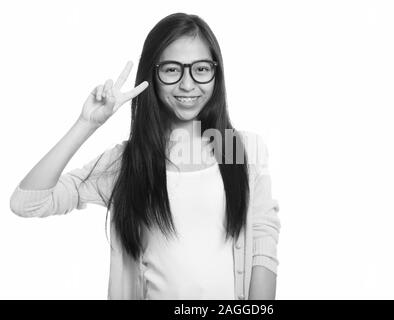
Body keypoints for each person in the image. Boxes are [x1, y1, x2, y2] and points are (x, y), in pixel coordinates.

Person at [9, 13, 280, 300]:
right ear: (152, 74)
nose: (188, 85)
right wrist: (86, 124)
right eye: (172, 70)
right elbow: (28, 203)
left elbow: (263, 237)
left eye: (201, 69)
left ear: (216, 73)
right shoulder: (127, 162)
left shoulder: (236, 148)